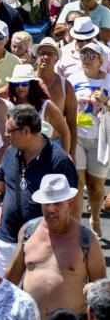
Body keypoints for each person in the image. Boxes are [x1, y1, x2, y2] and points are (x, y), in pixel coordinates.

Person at [0, 104, 78, 277]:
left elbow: (69, 206)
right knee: (4, 298)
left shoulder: (59, 161)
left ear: (26, 131)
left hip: (43, 243)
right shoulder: (9, 153)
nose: (6, 135)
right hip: (6, 241)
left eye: (9, 131)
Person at [6, 174, 106, 319]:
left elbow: (100, 291)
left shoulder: (87, 240)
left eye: (58, 203)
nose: (51, 209)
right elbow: (12, 276)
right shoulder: (28, 231)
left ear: (70, 204)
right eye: (46, 203)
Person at [67, 41, 110, 234]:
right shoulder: (73, 78)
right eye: (84, 55)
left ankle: (95, 216)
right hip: (78, 135)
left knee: (96, 185)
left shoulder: (108, 80)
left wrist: (106, 101)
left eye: (92, 56)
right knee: (78, 181)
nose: (87, 59)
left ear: (101, 59)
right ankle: (76, 225)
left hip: (101, 139)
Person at [5, 64, 71, 154]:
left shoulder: (47, 106)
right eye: (16, 84)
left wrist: (64, 160)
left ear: (32, 84)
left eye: (24, 83)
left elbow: (65, 134)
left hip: (45, 160)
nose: (20, 87)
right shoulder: (9, 106)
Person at [35, 38, 77, 159]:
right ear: (36, 56)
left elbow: (72, 123)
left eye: (50, 54)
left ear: (56, 59)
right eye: (42, 53)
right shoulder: (25, 81)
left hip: (55, 145)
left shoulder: (65, 86)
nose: (45, 57)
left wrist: (71, 154)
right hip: (28, 144)